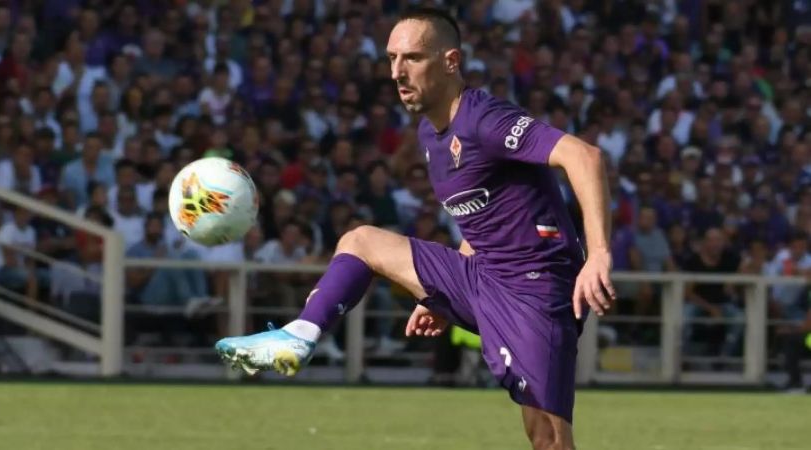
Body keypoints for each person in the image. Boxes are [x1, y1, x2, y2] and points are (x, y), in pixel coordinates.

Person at [215, 8, 615, 449]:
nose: (397, 72)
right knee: (361, 240)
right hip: (482, 276)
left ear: (450, 61)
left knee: (549, 440)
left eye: (412, 58)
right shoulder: (430, 135)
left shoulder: (485, 118)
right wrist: (444, 297)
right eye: (391, 58)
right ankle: (300, 335)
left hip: (535, 290)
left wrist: (597, 253)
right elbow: (484, 219)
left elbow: (585, 157)